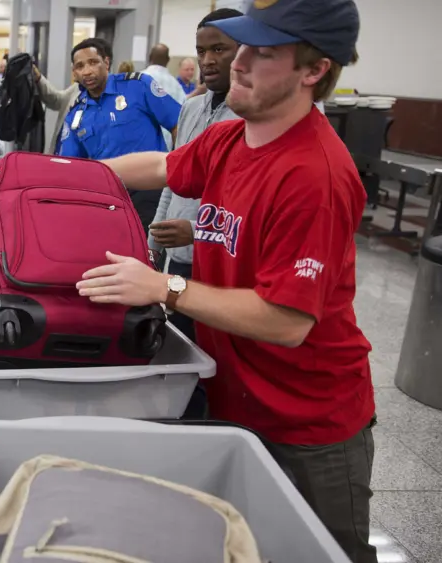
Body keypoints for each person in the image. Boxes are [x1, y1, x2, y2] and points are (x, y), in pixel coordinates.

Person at [82, 1, 375, 561]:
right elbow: (165, 167)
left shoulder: (316, 175)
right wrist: (65, 172)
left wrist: (163, 288)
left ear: (314, 71)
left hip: (308, 422)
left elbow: (287, 321)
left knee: (322, 552)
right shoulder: (234, 136)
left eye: (263, 52)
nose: (238, 62)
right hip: (232, 398)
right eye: (241, 46)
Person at [147, 7, 242, 344]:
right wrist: (153, 246)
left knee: (214, 353)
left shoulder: (248, 118)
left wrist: (199, 232)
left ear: (244, 51)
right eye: (201, 51)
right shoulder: (190, 108)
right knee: (180, 345)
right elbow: (173, 180)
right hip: (181, 259)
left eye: (219, 50)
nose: (208, 60)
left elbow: (245, 204)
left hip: (221, 263)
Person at [36, 37, 181, 231]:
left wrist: (180, 173)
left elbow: (177, 124)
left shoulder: (138, 86)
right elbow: (69, 166)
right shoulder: (75, 116)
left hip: (151, 189)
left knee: (149, 254)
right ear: (74, 73)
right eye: (80, 66)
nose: (87, 71)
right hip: (108, 197)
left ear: (106, 62)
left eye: (93, 62)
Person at [142, 43, 186, 149]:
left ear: (149, 57)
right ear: (168, 60)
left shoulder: (137, 80)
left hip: (139, 148)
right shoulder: (176, 86)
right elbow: (183, 116)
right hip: (165, 150)